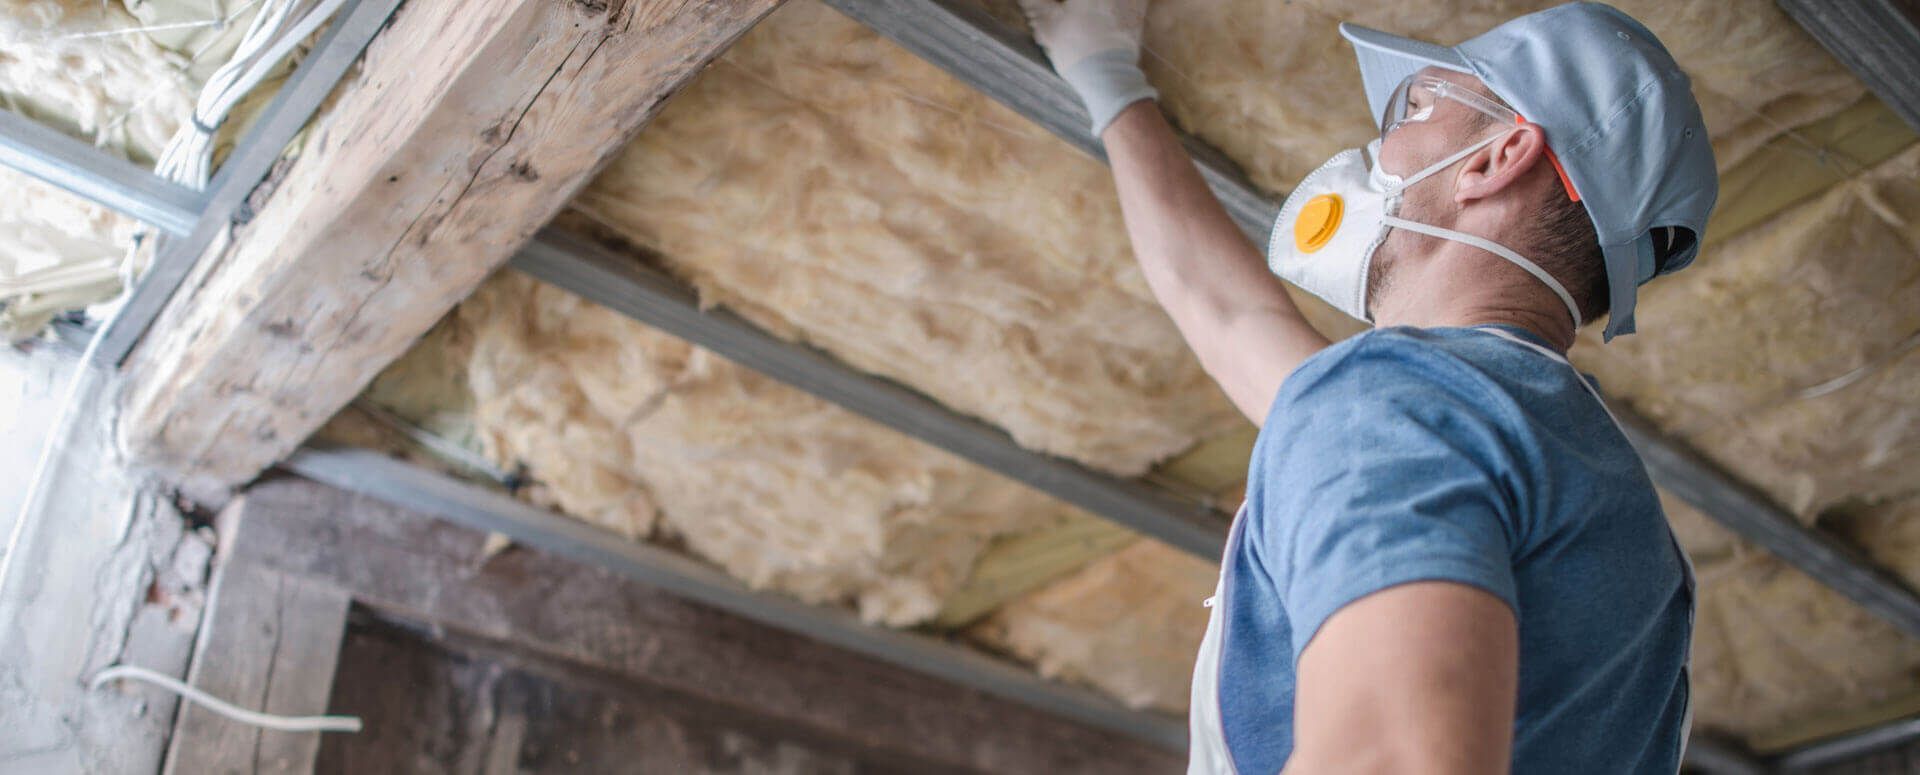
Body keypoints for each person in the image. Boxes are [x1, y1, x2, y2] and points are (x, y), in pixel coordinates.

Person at [1016, 1, 1718, 772]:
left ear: (1497, 159)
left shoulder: (1403, 403)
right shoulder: (1591, 488)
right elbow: (1228, 316)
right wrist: (1106, 76)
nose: (1380, 141)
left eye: (1418, 106)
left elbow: (1391, 756)